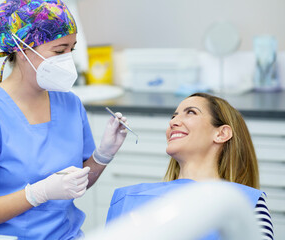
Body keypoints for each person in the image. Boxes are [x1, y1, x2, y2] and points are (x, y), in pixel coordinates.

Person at [0, 1, 128, 239]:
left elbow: (74, 185)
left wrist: (102, 157)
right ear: (23, 49)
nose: (68, 59)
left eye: (71, 50)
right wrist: (37, 194)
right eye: (58, 51)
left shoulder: (69, 104)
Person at [106, 93, 274, 240]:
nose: (173, 122)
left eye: (191, 113)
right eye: (173, 116)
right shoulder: (128, 199)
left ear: (221, 133)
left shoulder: (246, 203)